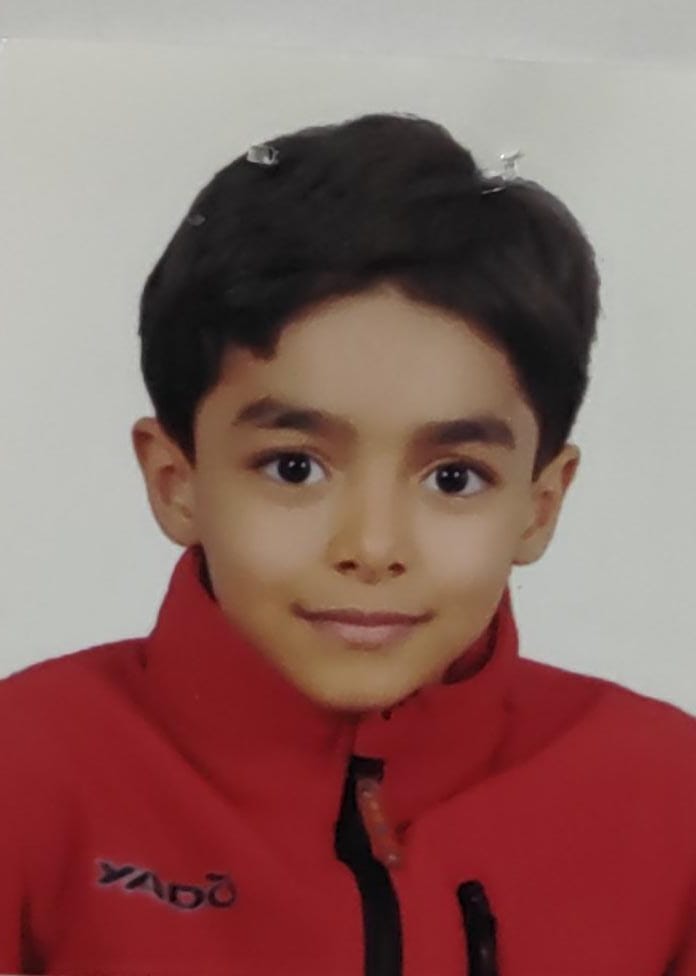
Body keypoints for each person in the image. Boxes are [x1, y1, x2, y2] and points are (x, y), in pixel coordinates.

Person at [1, 113, 694, 976]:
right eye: (294, 467)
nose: (372, 546)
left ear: (538, 507)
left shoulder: (670, 796)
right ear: (177, 482)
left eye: (453, 478)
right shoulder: (25, 771)